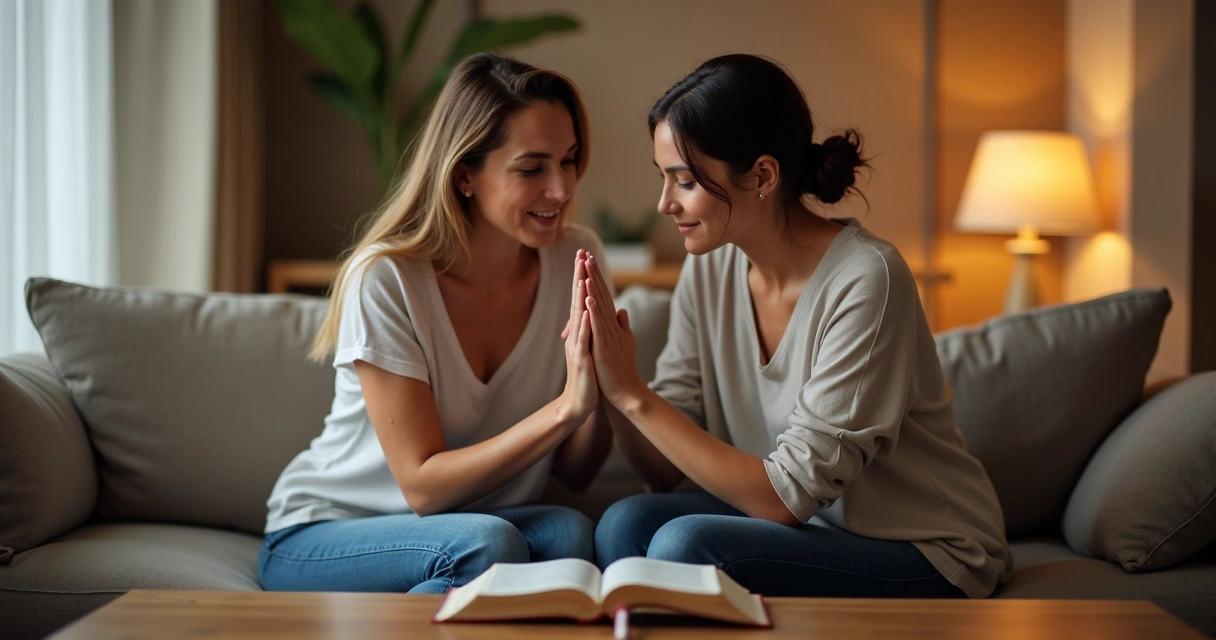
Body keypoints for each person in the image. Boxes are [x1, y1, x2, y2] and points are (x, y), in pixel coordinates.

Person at [583, 54, 1012, 599]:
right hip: (807, 531)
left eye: (685, 181)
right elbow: (663, 474)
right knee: (625, 522)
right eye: (663, 178)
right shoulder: (710, 265)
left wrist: (635, 396)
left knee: (686, 546)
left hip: (930, 550)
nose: (665, 204)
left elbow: (785, 499)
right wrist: (612, 383)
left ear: (762, 175)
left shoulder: (867, 278)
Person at [259, 53, 613, 594]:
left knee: (570, 535)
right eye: (532, 167)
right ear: (466, 174)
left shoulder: (577, 256)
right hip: (329, 531)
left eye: (568, 161)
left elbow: (575, 472)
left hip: (469, 532)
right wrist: (565, 409)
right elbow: (422, 488)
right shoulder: (387, 277)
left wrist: (602, 387)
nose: (562, 189)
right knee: (487, 546)